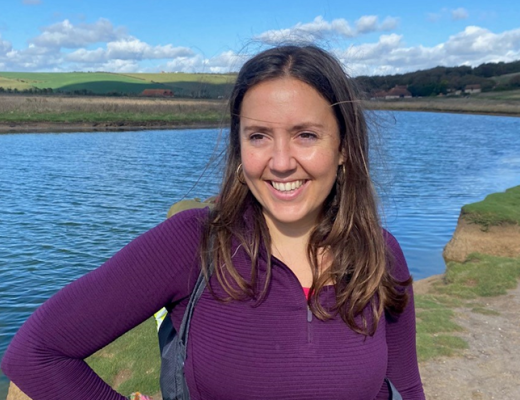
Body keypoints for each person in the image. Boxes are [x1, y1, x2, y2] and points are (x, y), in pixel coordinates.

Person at [1, 45, 425, 400]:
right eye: (258, 135)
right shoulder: (192, 243)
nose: (280, 162)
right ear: (240, 148)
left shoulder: (380, 253)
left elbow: (405, 386)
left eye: (306, 135)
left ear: (344, 147)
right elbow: (37, 353)